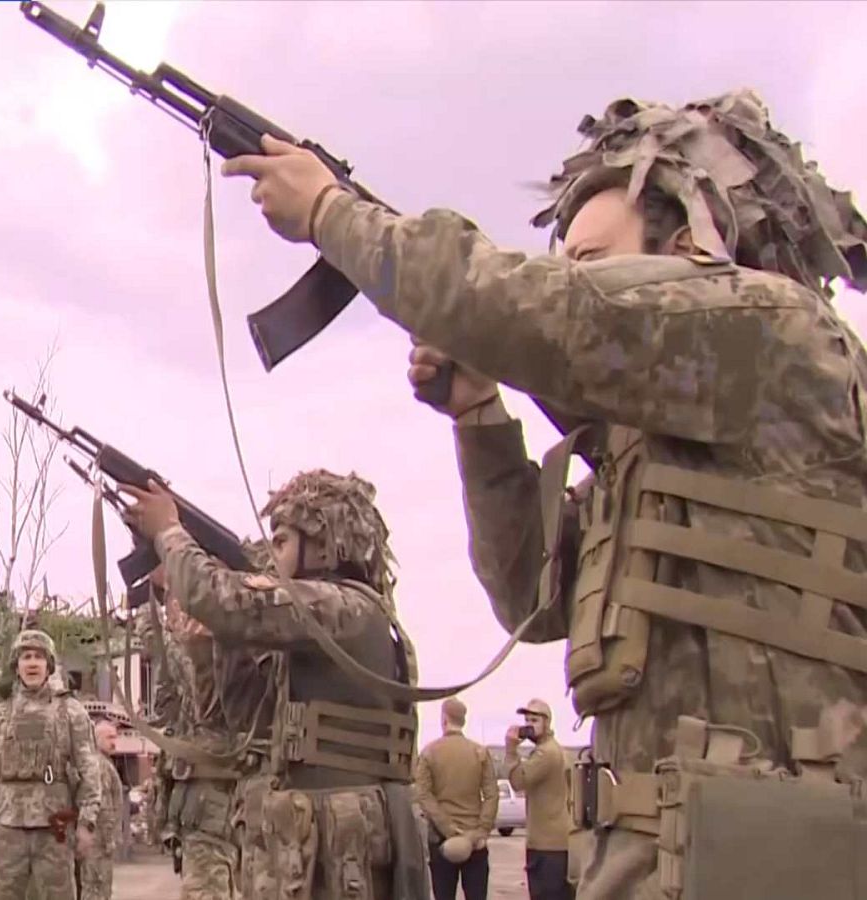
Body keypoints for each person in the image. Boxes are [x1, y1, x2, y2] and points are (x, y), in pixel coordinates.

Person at [220, 90, 867, 898]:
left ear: (691, 246)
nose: (573, 282)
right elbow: (529, 595)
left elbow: (534, 312)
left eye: (592, 263)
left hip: (767, 850)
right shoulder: (658, 470)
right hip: (659, 855)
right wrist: (480, 419)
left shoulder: (776, 327)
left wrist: (330, 212)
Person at [123, 469, 429, 900]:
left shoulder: (344, 606)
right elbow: (244, 717)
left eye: (282, 542)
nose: (271, 555)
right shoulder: (315, 628)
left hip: (338, 850)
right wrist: (220, 641)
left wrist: (171, 532)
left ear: (324, 545)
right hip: (305, 845)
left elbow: (225, 600)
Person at [141, 557, 262, 900]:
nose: (177, 613)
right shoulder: (184, 656)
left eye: (183, 603)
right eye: (173, 605)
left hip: (229, 802)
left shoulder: (236, 651)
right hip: (200, 808)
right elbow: (159, 649)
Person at [0, 630, 104, 900]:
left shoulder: (71, 713)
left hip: (55, 829)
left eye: (39, 657)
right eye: (26, 657)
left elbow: (90, 770)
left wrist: (87, 823)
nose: (33, 663)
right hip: (9, 829)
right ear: (17, 667)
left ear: (49, 666)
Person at [414, 698, 496, 900]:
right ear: (463, 721)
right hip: (475, 840)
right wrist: (482, 830)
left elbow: (423, 794)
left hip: (442, 840)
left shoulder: (430, 752)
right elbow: (491, 794)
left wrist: (447, 827)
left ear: (444, 719)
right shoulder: (480, 752)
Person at [504, 699, 571, 900]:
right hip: (557, 841)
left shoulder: (545, 753)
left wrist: (510, 750)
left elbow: (518, 781)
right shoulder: (556, 749)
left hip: (546, 844)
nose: (528, 725)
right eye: (526, 720)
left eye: (534, 720)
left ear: (547, 723)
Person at [77, 719, 126, 900]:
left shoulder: (102, 762)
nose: (114, 742)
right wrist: (109, 839)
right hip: (98, 841)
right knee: (96, 887)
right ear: (97, 739)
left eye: (115, 737)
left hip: (97, 839)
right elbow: (103, 807)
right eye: (109, 737)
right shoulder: (99, 766)